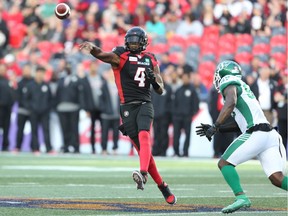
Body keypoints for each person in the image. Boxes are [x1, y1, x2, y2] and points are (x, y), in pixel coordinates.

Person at [79, 26, 176, 205]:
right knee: (144, 152)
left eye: (135, 41)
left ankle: (143, 173)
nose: (132, 44)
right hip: (127, 108)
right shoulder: (120, 55)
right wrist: (92, 48)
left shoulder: (151, 59)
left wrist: (154, 80)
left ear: (143, 43)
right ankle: (163, 187)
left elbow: (160, 89)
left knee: (144, 135)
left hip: (145, 104)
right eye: (129, 41)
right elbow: (102, 55)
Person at [196, 60, 287, 214]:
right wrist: (217, 129)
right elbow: (240, 124)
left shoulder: (228, 81)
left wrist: (216, 125)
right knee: (277, 178)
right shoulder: (243, 86)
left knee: (224, 163)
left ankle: (241, 197)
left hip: (257, 134)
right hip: (270, 135)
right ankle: (241, 198)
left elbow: (230, 102)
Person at [24, 66, 54, 154]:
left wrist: (48, 108)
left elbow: (50, 98)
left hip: (45, 112)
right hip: (34, 112)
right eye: (39, 73)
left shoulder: (46, 85)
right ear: (36, 73)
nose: (41, 75)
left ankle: (48, 148)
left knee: (46, 130)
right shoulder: (30, 85)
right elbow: (25, 99)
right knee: (34, 130)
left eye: (42, 73)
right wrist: (30, 108)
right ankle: (35, 148)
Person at [172, 72, 199, 157]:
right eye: (183, 78)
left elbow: (196, 103)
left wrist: (192, 113)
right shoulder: (178, 90)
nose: (184, 80)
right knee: (176, 135)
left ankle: (185, 152)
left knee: (187, 135)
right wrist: (175, 114)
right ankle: (176, 152)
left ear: (189, 78)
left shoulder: (192, 90)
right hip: (177, 117)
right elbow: (174, 103)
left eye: (186, 78)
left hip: (187, 117)